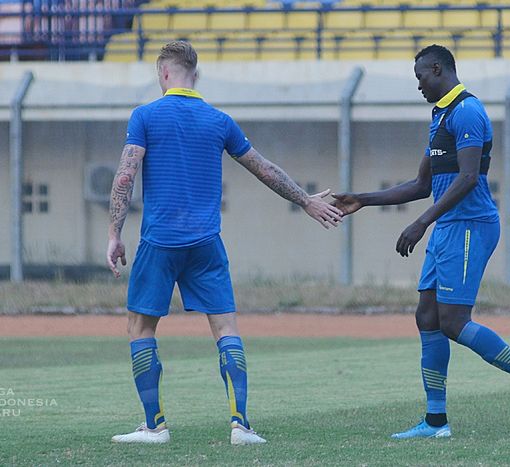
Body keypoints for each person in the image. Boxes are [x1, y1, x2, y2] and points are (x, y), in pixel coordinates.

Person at [107, 41, 343, 445]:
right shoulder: (219, 121)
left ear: (164, 74)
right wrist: (305, 201)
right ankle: (241, 426)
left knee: (141, 327)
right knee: (226, 328)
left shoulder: (145, 115)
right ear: (194, 75)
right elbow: (264, 168)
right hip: (205, 242)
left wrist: (114, 234)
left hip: (159, 241)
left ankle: (155, 425)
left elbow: (126, 176)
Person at [332, 44, 510, 438]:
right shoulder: (440, 115)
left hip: (471, 225)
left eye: (421, 78)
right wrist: (364, 199)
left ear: (437, 69)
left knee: (455, 322)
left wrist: (421, 223)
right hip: (447, 226)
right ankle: (436, 421)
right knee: (427, 316)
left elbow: (468, 178)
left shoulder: (468, 111)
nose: (419, 86)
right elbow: (423, 184)